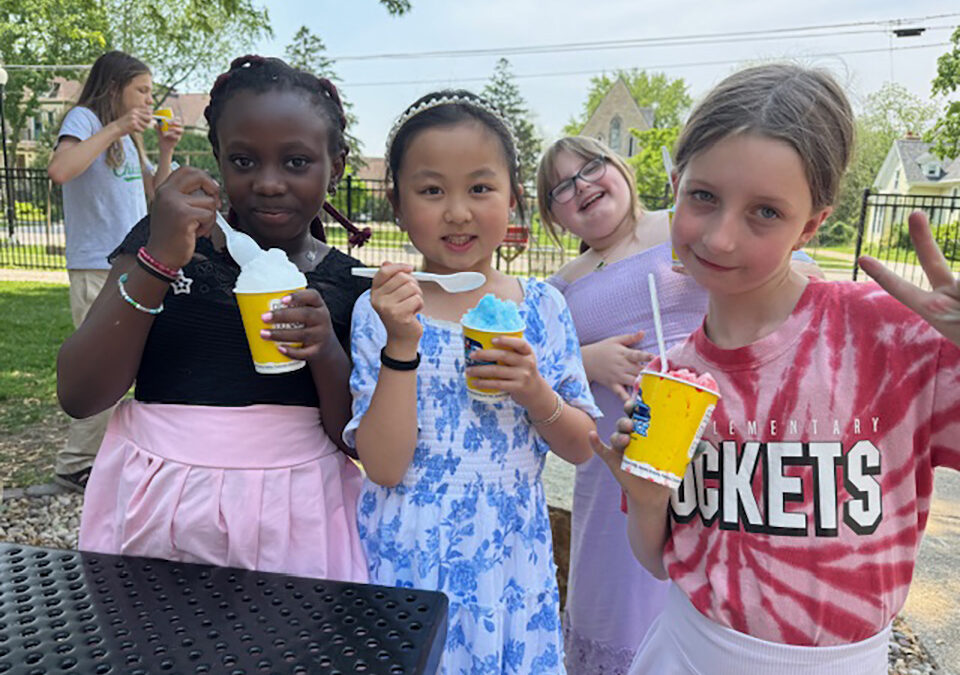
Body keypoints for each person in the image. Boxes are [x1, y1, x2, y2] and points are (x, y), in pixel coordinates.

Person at [592, 63, 960, 674]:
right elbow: (658, 560)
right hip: (685, 655)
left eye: (765, 212)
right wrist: (646, 498)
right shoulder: (669, 376)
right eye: (704, 197)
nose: (721, 238)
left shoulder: (891, 337)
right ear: (676, 186)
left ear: (811, 224)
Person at [57, 55, 373, 581]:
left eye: (296, 162)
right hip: (157, 509)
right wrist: (158, 261)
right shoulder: (169, 245)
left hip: (292, 518)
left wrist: (326, 351)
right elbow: (79, 393)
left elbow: (354, 439)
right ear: (220, 159)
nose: (269, 183)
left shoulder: (347, 284)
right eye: (244, 161)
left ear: (335, 165)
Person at [537, 135, 822, 675]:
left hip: (720, 445)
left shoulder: (685, 225)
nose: (583, 187)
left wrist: (721, 267)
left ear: (620, 169)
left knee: (717, 592)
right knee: (621, 601)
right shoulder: (561, 286)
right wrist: (585, 359)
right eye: (561, 188)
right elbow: (535, 368)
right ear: (555, 216)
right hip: (618, 467)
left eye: (592, 167)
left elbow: (796, 271)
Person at [344, 90, 602, 674]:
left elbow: (583, 445)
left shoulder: (543, 308)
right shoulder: (379, 311)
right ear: (398, 203)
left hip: (508, 557)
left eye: (480, 188)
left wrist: (537, 393)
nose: (457, 212)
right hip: (408, 552)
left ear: (512, 200)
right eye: (432, 191)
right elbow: (383, 467)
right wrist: (401, 345)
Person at [48, 50, 183, 492]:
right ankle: (75, 465)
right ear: (115, 87)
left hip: (130, 264)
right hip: (93, 265)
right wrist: (117, 127)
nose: (148, 97)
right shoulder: (85, 120)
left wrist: (165, 150)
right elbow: (61, 169)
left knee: (131, 359)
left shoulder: (132, 135)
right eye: (141, 89)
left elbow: (156, 193)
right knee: (101, 364)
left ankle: (110, 454)